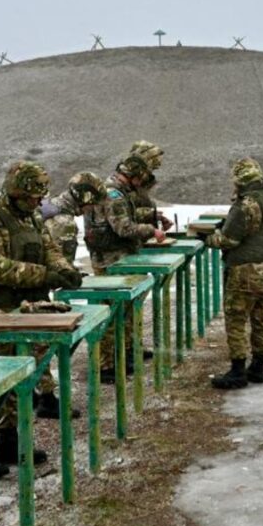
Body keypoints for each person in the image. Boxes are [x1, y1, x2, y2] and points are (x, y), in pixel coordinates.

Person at [0, 160, 82, 477]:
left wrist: (65, 270)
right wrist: (43, 275)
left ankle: (8, 441)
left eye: (39, 197)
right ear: (16, 192)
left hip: (24, 310)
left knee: (19, 384)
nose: (36, 202)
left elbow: (50, 248)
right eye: (31, 197)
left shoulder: (31, 217)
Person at [202, 158, 263, 390]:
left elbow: (228, 240)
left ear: (239, 181)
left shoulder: (245, 205)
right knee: (261, 319)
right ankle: (257, 368)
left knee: (236, 320)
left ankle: (238, 371)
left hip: (245, 273)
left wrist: (206, 237)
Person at [84, 154, 166, 383]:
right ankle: (106, 364)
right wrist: (151, 230)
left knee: (125, 311)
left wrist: (152, 216)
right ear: (133, 176)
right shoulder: (114, 195)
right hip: (111, 261)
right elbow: (123, 227)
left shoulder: (116, 192)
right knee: (111, 314)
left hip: (116, 259)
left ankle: (124, 352)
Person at [41, 171, 108, 265]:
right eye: (93, 204)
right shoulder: (65, 223)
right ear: (84, 198)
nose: (92, 208)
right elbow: (61, 265)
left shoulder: (52, 204)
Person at [129, 140, 173, 231]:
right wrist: (151, 215)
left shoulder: (142, 183)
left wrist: (156, 218)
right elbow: (123, 215)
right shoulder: (124, 184)